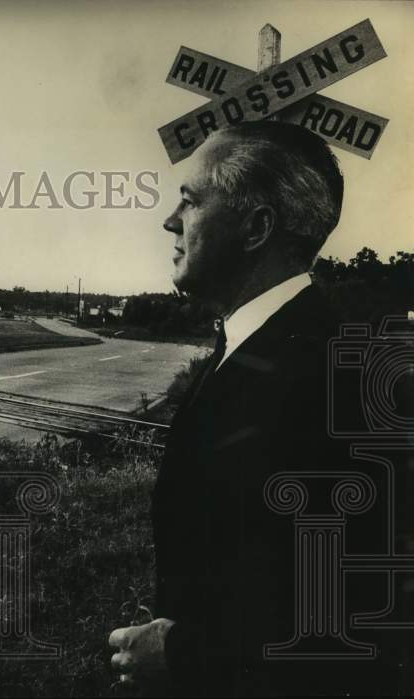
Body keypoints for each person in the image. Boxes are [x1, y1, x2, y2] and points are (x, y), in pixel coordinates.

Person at [107, 121, 398, 695]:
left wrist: (187, 656)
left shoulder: (332, 379)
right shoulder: (258, 345)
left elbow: (360, 616)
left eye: (190, 202)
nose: (170, 221)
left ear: (256, 227)